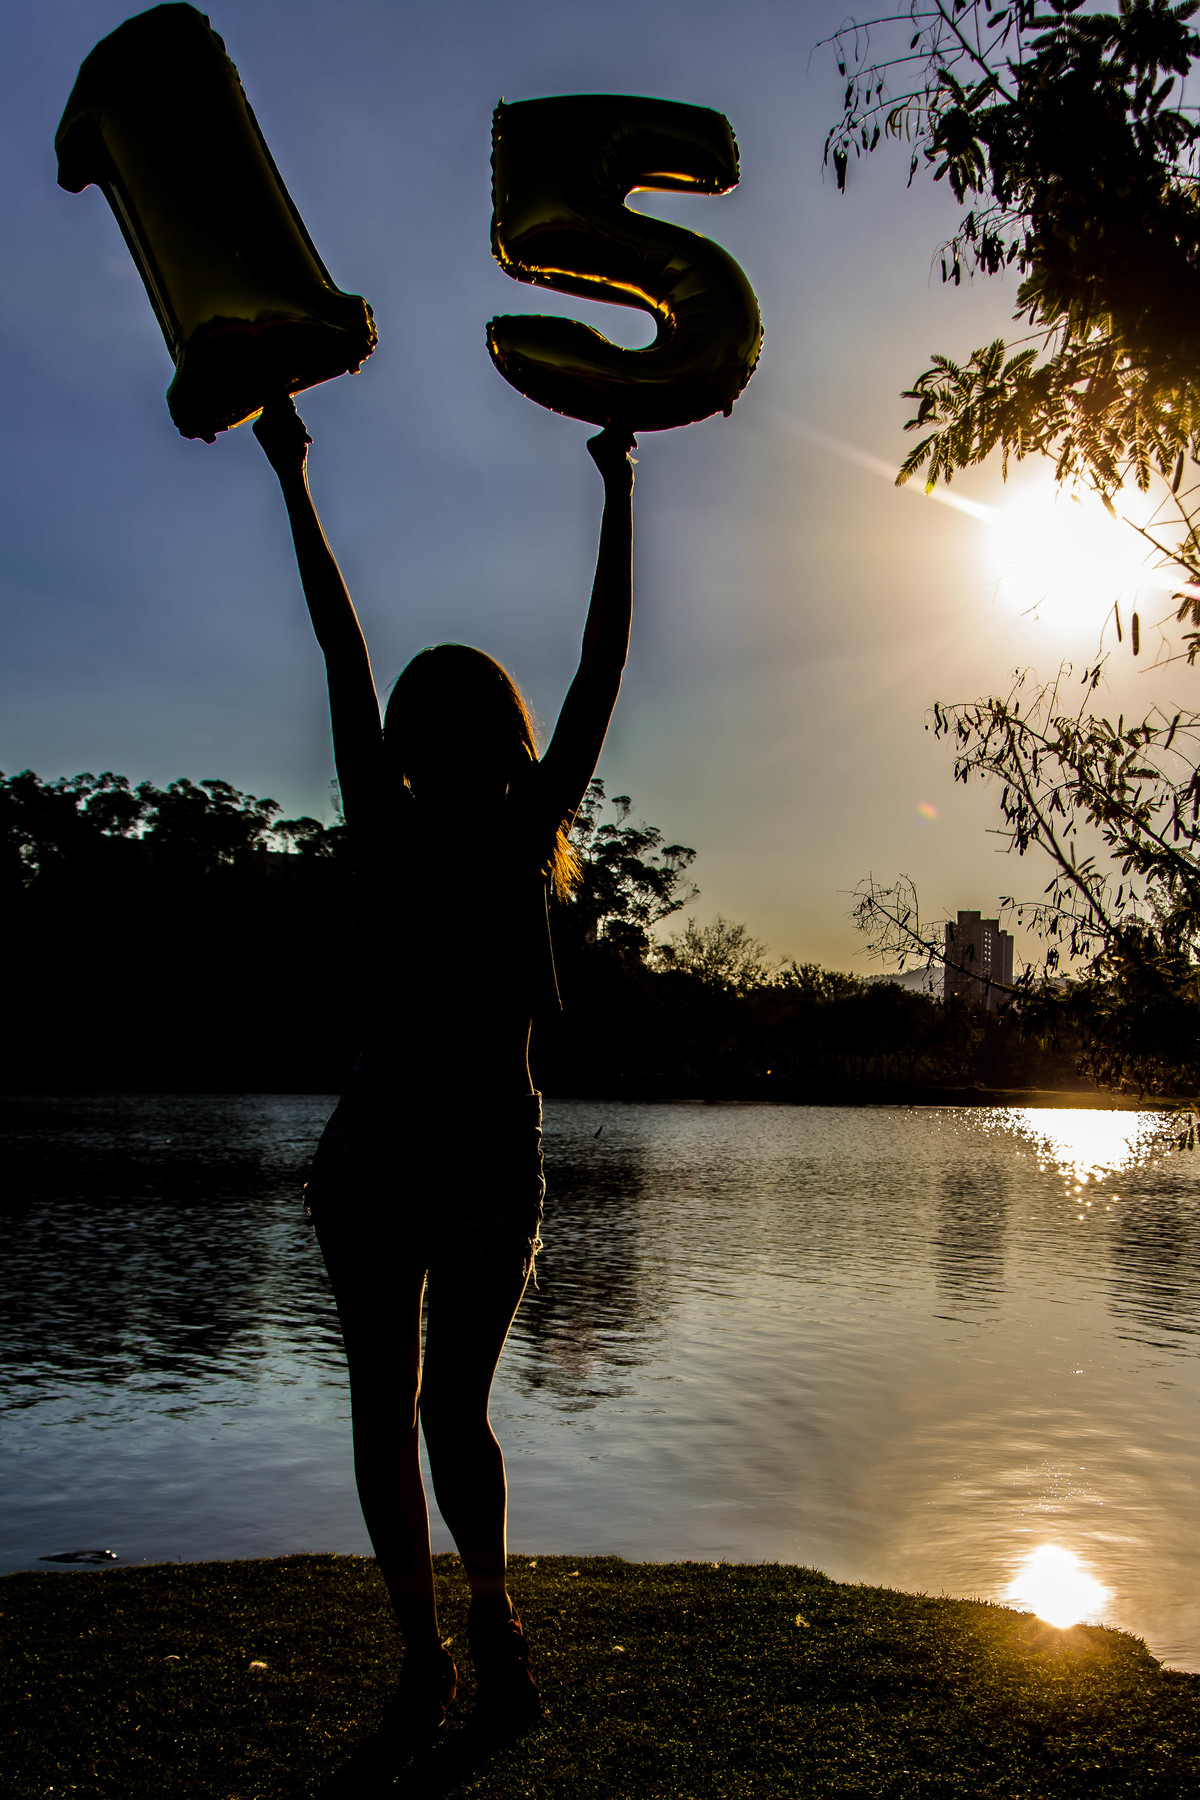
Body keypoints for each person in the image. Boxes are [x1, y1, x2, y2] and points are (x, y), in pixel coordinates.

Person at [253, 396, 636, 1750]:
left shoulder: (444, 823)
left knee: (406, 1408)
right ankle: (465, 1628)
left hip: (413, 1151)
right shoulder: (504, 825)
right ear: (497, 735)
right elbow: (592, 671)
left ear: (428, 741)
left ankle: (446, 1644)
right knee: (439, 1411)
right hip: (449, 1151)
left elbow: (344, 647)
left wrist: (293, 475)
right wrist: (619, 486)